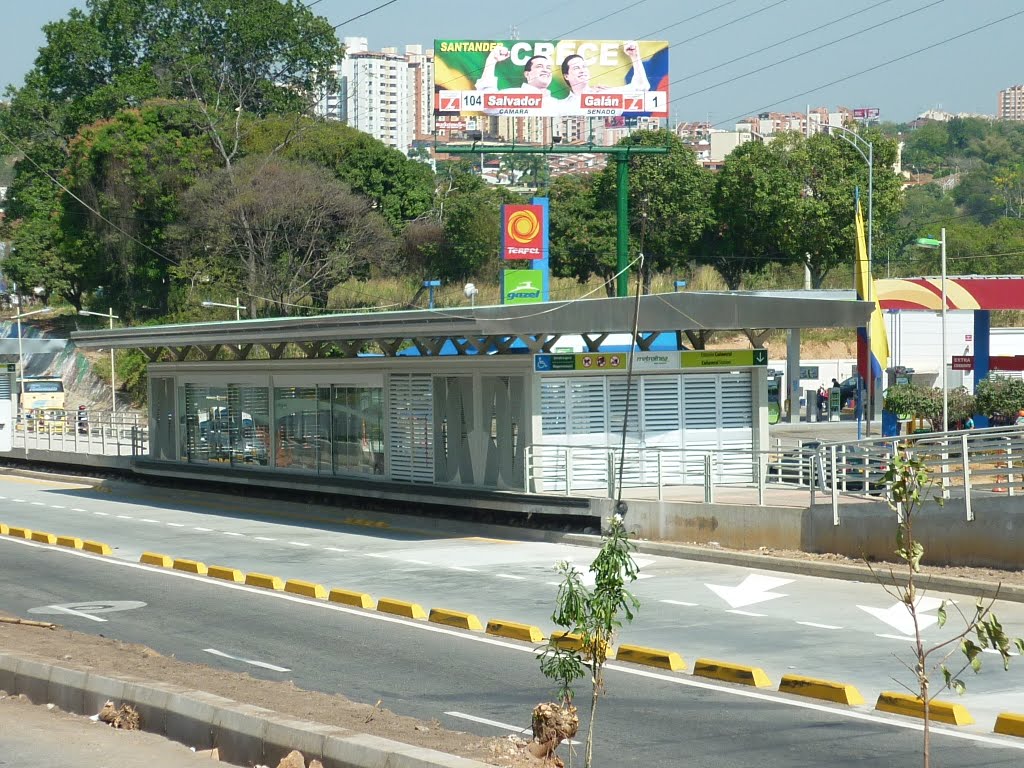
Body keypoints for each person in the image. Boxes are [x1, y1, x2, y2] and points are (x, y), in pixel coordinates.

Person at [558, 41, 650, 111]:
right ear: (566, 76)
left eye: (584, 66)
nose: (582, 70)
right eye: (576, 68)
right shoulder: (563, 105)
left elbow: (641, 87)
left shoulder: (604, 94)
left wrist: (635, 56)